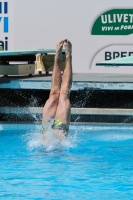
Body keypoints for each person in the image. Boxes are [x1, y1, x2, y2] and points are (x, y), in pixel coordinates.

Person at [42, 39, 72, 141]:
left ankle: (60, 57)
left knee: (54, 93)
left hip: (48, 128)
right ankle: (67, 56)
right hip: (60, 131)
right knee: (64, 93)